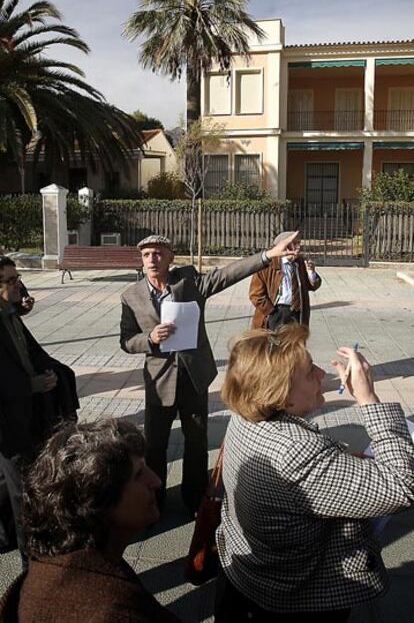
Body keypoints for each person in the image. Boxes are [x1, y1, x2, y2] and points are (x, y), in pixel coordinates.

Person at [215, 324, 414, 622]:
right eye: (310, 371)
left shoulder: (245, 412)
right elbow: (402, 486)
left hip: (247, 573)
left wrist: (339, 461)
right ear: (281, 396)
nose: (322, 373)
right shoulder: (297, 452)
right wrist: (368, 398)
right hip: (298, 597)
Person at [120, 232, 299, 516]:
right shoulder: (131, 296)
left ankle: (195, 500)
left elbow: (228, 274)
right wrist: (150, 338)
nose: (152, 260)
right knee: (155, 446)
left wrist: (269, 255)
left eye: (158, 254)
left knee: (196, 442)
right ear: (141, 260)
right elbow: (127, 340)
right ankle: (153, 503)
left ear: (170, 258)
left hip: (194, 377)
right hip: (159, 382)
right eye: (146, 255)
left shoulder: (189, 283)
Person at [0, 419, 180, 622]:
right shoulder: (115, 612)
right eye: (138, 474)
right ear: (97, 503)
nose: (156, 481)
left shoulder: (55, 572)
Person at [0, 256, 79, 562]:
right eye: (10, 280)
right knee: (22, 493)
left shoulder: (10, 313)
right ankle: (29, 561)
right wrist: (33, 385)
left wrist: (51, 375)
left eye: (18, 278)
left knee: (21, 482)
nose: (18, 283)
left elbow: (29, 354)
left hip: (27, 414)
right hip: (8, 425)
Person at [249, 230, 321, 329]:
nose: (298, 247)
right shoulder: (267, 266)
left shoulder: (300, 262)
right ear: (283, 245)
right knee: (274, 343)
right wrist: (271, 311)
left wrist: (311, 272)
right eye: (295, 243)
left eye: (299, 243)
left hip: (297, 312)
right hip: (276, 312)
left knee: (294, 343)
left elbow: (312, 286)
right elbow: (255, 294)